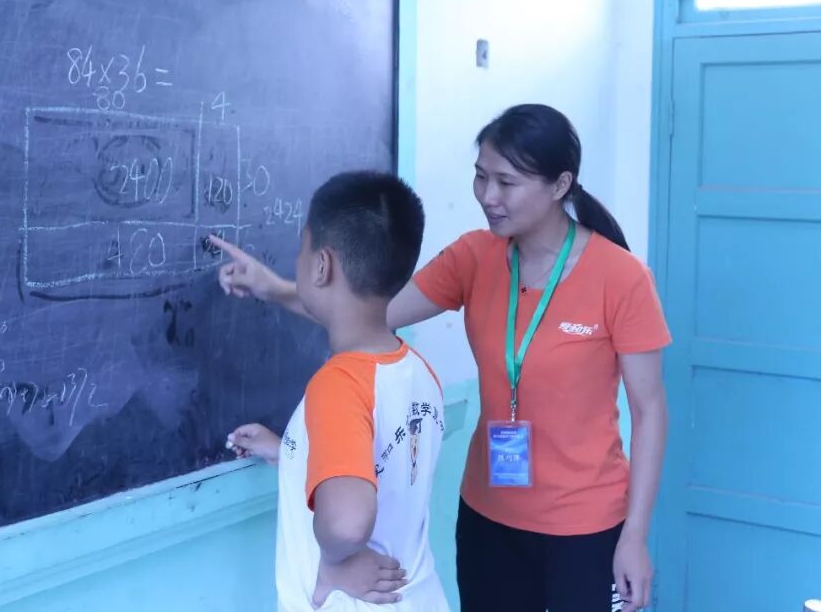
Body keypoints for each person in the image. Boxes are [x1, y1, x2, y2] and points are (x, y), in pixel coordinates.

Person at [214, 104, 671, 612]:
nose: (488, 196)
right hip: (489, 519)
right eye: (481, 176)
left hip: (587, 526)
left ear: (560, 185)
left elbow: (649, 411)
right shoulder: (475, 257)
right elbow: (365, 309)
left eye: (506, 182)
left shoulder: (622, 278)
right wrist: (275, 288)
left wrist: (634, 535)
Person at [217, 170, 449, 611]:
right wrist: (291, 453)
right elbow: (381, 464)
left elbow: (346, 522)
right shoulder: (418, 372)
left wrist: (335, 564)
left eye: (302, 248)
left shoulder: (339, 383)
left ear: (322, 265)